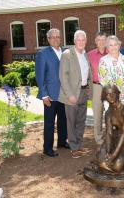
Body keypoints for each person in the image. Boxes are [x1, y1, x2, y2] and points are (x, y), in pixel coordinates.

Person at [58, 30, 93, 159]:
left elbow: (88, 73)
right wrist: (69, 94)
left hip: (83, 91)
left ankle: (78, 145)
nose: (81, 42)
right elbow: (63, 76)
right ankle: (73, 147)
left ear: (86, 41)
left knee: (81, 121)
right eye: (78, 40)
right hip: (72, 94)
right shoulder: (67, 54)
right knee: (71, 122)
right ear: (74, 41)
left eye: (83, 40)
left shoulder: (85, 54)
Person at [35, 28, 69, 157]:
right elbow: (40, 76)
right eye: (53, 37)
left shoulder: (65, 52)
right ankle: (47, 148)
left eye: (58, 36)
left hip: (63, 94)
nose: (56, 39)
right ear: (48, 39)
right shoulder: (43, 54)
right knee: (49, 122)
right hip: (50, 95)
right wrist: (44, 95)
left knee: (63, 120)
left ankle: (61, 142)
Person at [98, 35, 124, 106]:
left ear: (119, 45)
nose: (113, 47)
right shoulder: (103, 61)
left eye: (115, 44)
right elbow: (104, 81)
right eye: (110, 45)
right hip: (111, 98)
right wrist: (116, 95)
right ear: (107, 47)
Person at [87, 32, 107, 145]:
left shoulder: (112, 53)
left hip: (109, 87)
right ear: (95, 41)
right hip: (96, 87)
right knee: (97, 114)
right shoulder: (89, 54)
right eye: (99, 39)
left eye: (103, 39)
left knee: (111, 113)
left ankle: (111, 137)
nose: (101, 42)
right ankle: (99, 139)